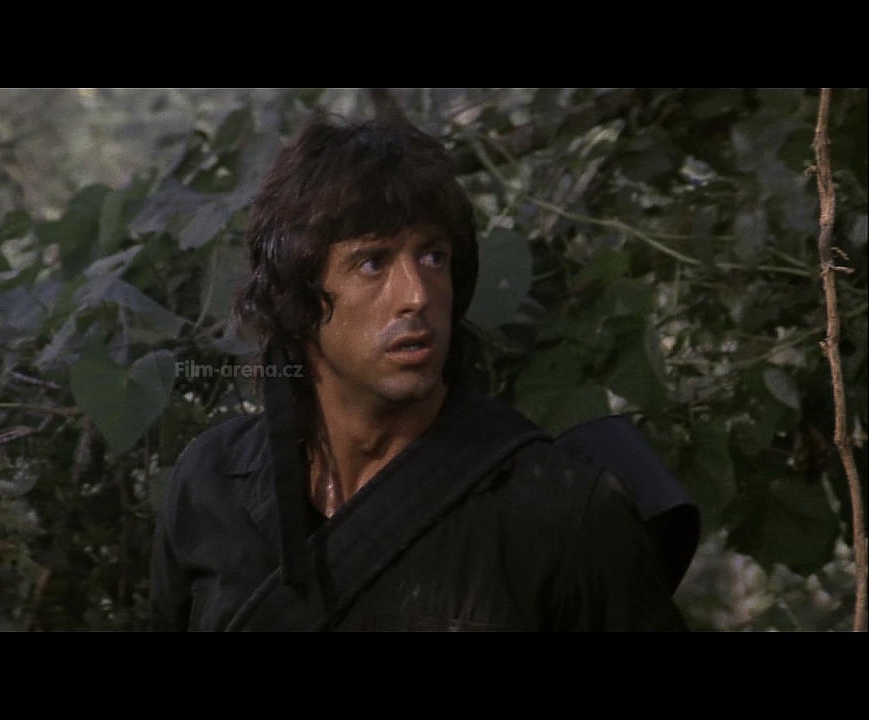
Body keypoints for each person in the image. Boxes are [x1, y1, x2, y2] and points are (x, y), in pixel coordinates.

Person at [149, 112, 690, 631]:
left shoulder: (563, 509)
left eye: (433, 257)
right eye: (373, 262)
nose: (417, 295)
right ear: (297, 298)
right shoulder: (211, 484)